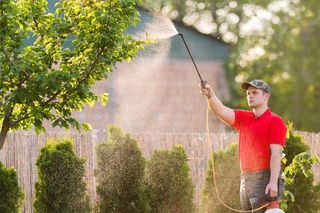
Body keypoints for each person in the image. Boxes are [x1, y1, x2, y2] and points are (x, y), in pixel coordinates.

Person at [200, 79, 287, 212]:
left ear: (266, 96)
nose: (250, 96)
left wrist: (273, 182)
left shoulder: (275, 121)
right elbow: (221, 110)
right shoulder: (244, 118)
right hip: (245, 178)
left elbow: (276, 154)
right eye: (248, 93)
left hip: (264, 179)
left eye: (254, 93)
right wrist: (210, 95)